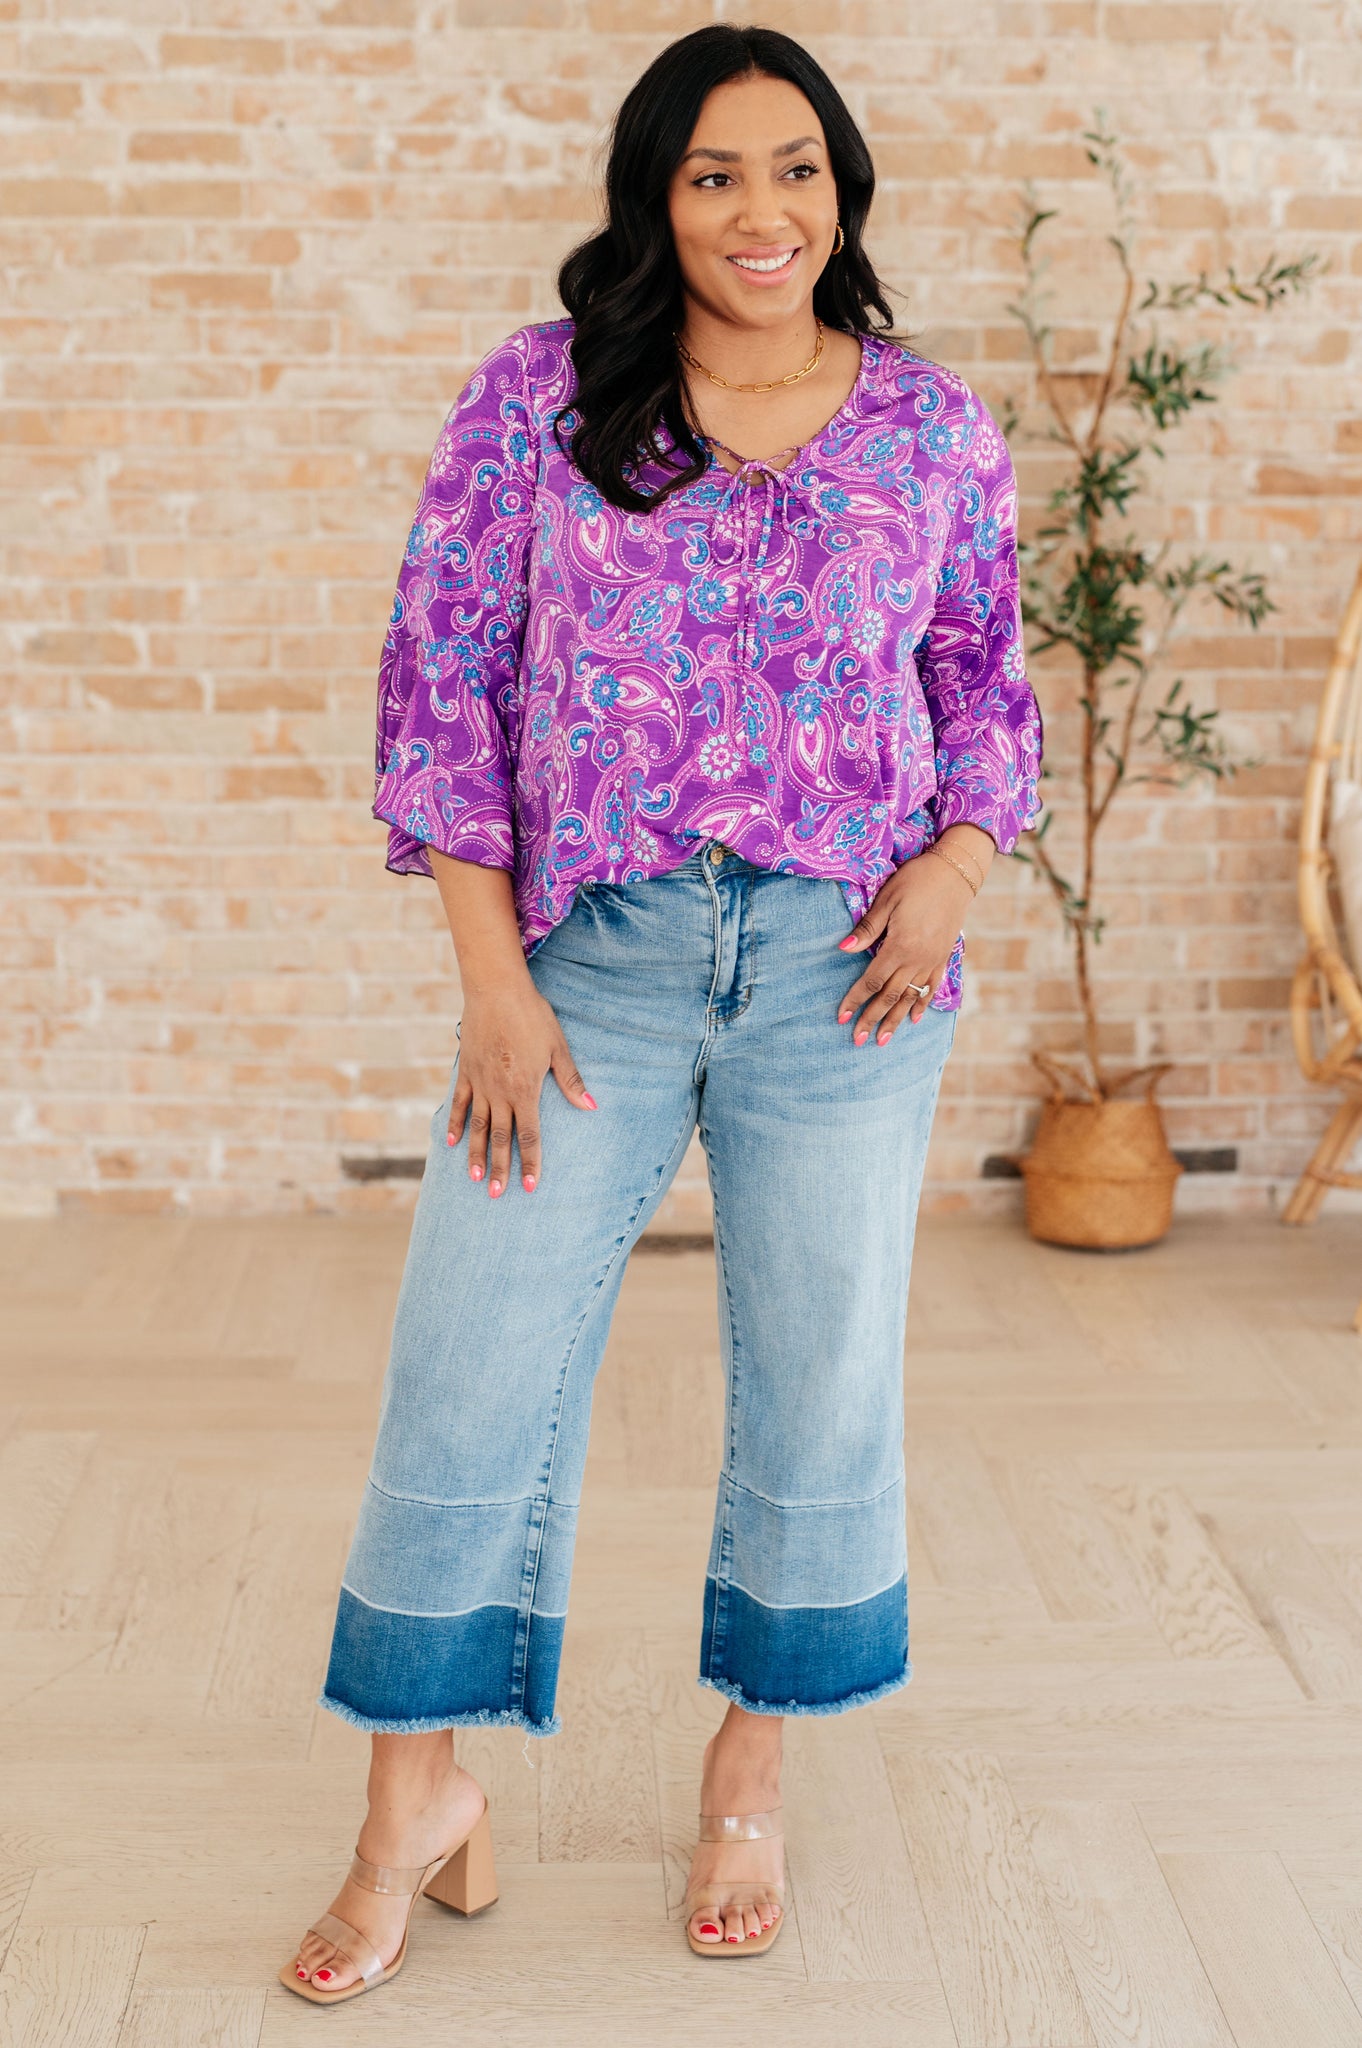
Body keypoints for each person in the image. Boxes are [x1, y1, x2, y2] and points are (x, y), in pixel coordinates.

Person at [283, 21, 1041, 2004]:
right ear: (656, 196)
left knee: (818, 1375)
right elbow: (439, 697)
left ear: (841, 193)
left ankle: (749, 1770)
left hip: (843, 977)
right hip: (590, 970)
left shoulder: (930, 425)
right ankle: (413, 1801)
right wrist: (492, 985)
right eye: (713, 174)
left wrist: (955, 872)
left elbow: (985, 686)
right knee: (466, 1364)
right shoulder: (541, 398)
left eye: (795, 169)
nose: (759, 211)